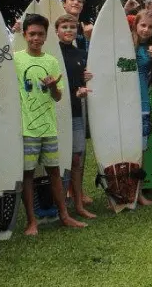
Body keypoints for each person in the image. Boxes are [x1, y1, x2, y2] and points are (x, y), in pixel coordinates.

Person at [14, 13, 87, 235]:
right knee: (28, 174)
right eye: (32, 34)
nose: (36, 38)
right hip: (27, 128)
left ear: (47, 36)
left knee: (54, 171)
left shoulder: (52, 61)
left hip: (48, 126)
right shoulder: (15, 59)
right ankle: (31, 221)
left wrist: (53, 86)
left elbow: (57, 97)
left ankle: (64, 215)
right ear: (25, 35)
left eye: (40, 34)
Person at [56, 14, 95, 218]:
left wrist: (85, 80)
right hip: (58, 115)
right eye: (64, 27)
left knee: (77, 160)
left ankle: (79, 204)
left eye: (72, 27)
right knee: (61, 160)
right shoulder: (53, 54)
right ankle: (61, 206)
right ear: (57, 31)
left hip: (77, 114)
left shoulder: (81, 53)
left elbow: (83, 82)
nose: (69, 30)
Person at [132, 9, 152, 206]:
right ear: (135, 25)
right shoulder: (124, 44)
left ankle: (137, 192)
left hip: (142, 103)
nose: (146, 30)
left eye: (150, 27)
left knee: (140, 150)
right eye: (143, 25)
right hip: (121, 103)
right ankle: (119, 190)